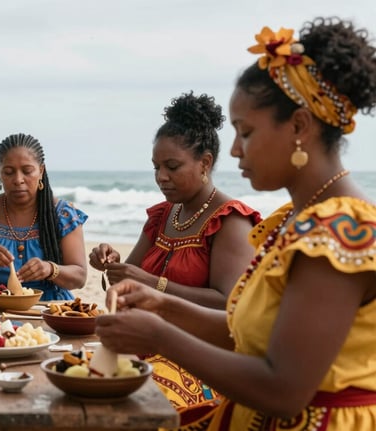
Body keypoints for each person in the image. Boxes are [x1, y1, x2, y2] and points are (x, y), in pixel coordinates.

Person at [96, 18, 376, 430]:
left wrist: (159, 335)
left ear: (299, 126)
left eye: (246, 132)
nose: (235, 150)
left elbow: (284, 390)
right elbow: (251, 334)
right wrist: (164, 305)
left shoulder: (339, 231)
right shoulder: (296, 221)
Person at [88, 93, 261, 409]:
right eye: (156, 167)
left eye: (172, 166)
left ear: (205, 162)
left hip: (199, 361)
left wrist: (153, 285)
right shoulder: (162, 216)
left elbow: (230, 306)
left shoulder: (231, 221)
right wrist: (110, 264)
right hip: (143, 343)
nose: (161, 177)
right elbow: (127, 283)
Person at [0, 133, 88, 301]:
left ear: (41, 171)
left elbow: (79, 277)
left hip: (48, 309)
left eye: (27, 171)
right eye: (8, 172)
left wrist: (51, 269)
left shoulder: (63, 215)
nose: (18, 180)